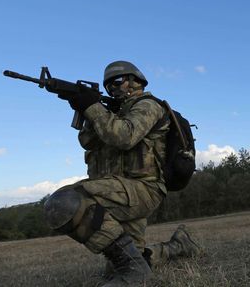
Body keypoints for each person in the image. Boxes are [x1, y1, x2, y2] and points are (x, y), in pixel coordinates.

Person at [43, 61, 199, 286]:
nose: (113, 88)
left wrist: (93, 107)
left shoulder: (148, 106)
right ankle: (178, 246)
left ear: (136, 81)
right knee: (120, 264)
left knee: (64, 202)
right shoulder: (113, 113)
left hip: (143, 188)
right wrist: (85, 107)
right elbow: (87, 141)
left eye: (117, 81)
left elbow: (124, 137)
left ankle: (134, 271)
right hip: (121, 190)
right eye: (108, 86)